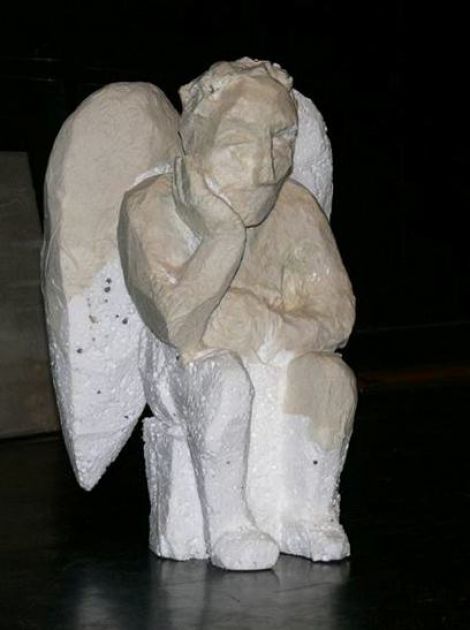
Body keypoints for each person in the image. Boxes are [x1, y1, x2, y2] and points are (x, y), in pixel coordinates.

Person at [118, 58, 357, 570]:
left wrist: (265, 326)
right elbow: (179, 325)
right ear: (196, 138)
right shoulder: (150, 205)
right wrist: (223, 236)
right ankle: (228, 523)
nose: (265, 169)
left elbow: (337, 315)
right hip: (182, 365)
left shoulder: (296, 208)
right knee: (223, 377)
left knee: (330, 376)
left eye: (281, 140)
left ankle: (306, 514)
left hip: (274, 349)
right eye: (239, 142)